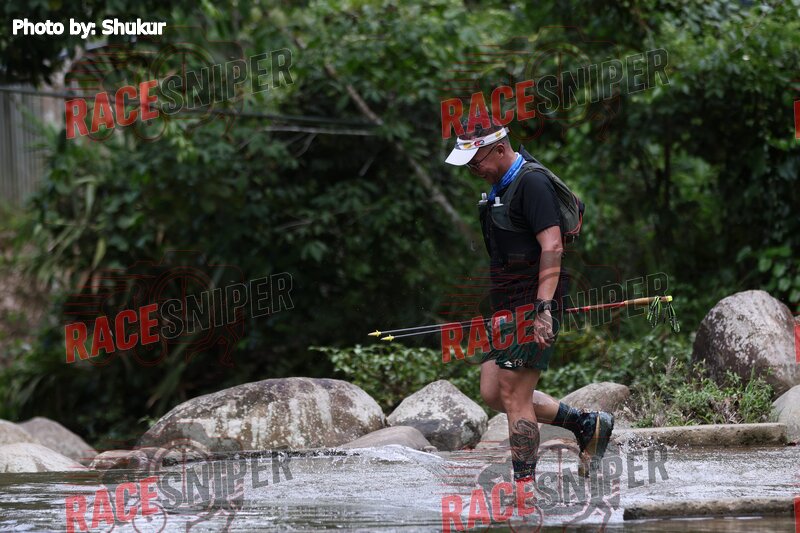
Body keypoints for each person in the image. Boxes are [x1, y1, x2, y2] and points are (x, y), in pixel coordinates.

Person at [444, 119, 614, 484]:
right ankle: (586, 424)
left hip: (534, 302)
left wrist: (543, 309)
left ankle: (523, 490)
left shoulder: (532, 183)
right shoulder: (500, 188)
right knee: (493, 391)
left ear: (499, 149)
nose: (473, 170)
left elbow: (552, 245)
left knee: (513, 394)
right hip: (506, 305)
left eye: (476, 162)